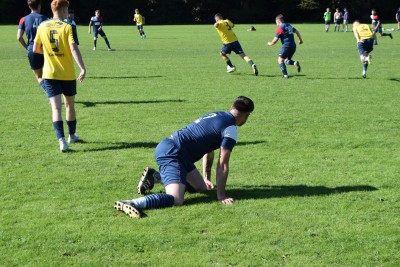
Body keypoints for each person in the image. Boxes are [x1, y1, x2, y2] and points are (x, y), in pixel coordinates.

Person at [114, 96, 255, 219]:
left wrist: (206, 178)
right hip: (173, 154)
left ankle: (155, 177)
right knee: (176, 199)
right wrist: (222, 195)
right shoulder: (230, 129)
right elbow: (222, 164)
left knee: (201, 188)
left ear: (231, 107)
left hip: (176, 151)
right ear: (246, 116)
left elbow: (209, 150)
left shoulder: (217, 114)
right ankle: (131, 203)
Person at [33, 0, 86, 152]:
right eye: (67, 9)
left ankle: (62, 141)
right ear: (63, 10)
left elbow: (36, 48)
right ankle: (72, 135)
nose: (68, 12)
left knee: (56, 109)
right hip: (67, 74)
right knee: (69, 105)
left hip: (49, 73)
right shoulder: (67, 26)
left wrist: (50, 54)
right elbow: (73, 49)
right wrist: (82, 68)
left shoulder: (42, 26)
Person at [17, 0, 48, 84]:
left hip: (32, 49)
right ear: (39, 5)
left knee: (39, 77)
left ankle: (51, 94)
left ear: (29, 6)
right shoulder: (46, 19)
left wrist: (27, 47)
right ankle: (53, 94)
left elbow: (19, 37)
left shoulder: (23, 19)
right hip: (45, 50)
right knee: (48, 75)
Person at [267, 14, 303, 79]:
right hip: (293, 46)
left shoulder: (280, 28)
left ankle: (285, 76)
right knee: (286, 60)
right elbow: (296, 31)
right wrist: (300, 40)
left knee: (280, 60)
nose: (276, 24)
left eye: (276, 23)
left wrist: (270, 43)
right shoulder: (289, 25)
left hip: (286, 46)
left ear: (278, 21)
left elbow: (275, 40)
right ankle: (294, 63)